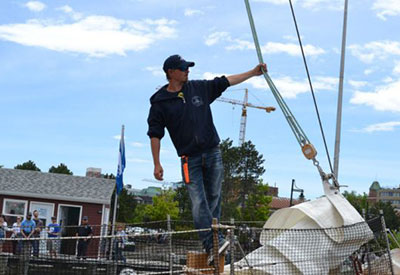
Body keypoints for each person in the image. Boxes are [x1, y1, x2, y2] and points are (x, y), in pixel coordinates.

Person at [147, 54, 266, 262]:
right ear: (170, 72)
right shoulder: (160, 102)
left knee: (214, 200)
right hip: (188, 158)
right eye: (183, 67)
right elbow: (155, 133)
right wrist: (157, 163)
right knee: (198, 202)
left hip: (213, 152)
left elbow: (226, 81)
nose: (187, 70)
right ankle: (214, 244)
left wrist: (253, 73)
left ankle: (215, 247)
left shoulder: (198, 88)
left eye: (188, 67)